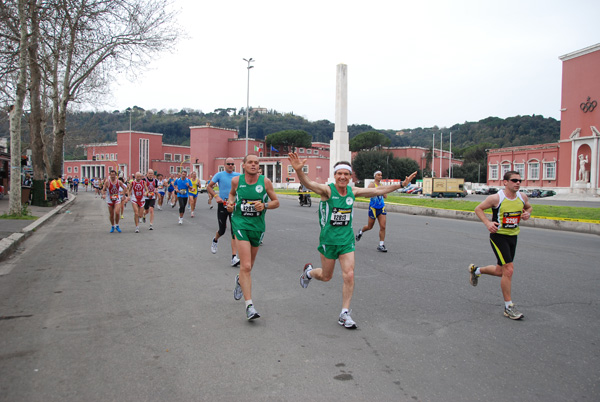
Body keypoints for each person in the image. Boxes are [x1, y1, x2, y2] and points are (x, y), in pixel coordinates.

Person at [289, 152, 417, 329]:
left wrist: (401, 185)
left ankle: (344, 313)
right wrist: (299, 172)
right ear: (335, 176)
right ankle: (309, 273)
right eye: (339, 173)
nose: (342, 177)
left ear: (350, 177)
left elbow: (378, 190)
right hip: (328, 240)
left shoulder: (353, 191)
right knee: (326, 276)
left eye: (346, 174)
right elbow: (309, 184)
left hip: (347, 240)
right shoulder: (327, 191)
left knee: (349, 274)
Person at [469, 170, 532, 320]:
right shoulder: (496, 198)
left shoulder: (522, 197)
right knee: (508, 270)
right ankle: (508, 307)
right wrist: (487, 223)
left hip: (513, 237)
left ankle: (476, 270)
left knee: (500, 271)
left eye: (519, 181)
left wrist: (527, 214)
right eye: (514, 180)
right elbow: (478, 209)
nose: (517, 183)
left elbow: (529, 207)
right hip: (498, 237)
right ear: (505, 182)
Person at [228, 154, 279, 320]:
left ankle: (239, 280)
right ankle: (249, 305)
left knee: (248, 267)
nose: (253, 165)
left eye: (256, 163)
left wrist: (264, 205)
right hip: (240, 223)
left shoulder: (265, 182)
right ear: (243, 165)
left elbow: (276, 202)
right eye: (250, 162)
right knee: (247, 266)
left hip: (257, 226)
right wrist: (230, 204)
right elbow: (232, 195)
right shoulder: (237, 181)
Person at [207, 158, 241, 267]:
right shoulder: (219, 175)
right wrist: (216, 196)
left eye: (232, 164)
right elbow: (209, 187)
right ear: (224, 164)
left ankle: (234, 257)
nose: (230, 165)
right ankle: (215, 239)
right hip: (223, 204)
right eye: (228, 164)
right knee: (222, 230)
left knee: (234, 230)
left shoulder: (238, 175)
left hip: (233, 205)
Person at [355, 170, 390, 252]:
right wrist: (375, 192)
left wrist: (384, 191)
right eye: (378, 175)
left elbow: (385, 196)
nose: (380, 176)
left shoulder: (381, 185)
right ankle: (361, 231)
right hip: (373, 208)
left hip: (381, 207)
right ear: (375, 176)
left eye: (381, 175)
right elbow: (366, 195)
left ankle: (381, 245)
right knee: (370, 227)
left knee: (383, 226)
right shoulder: (371, 184)